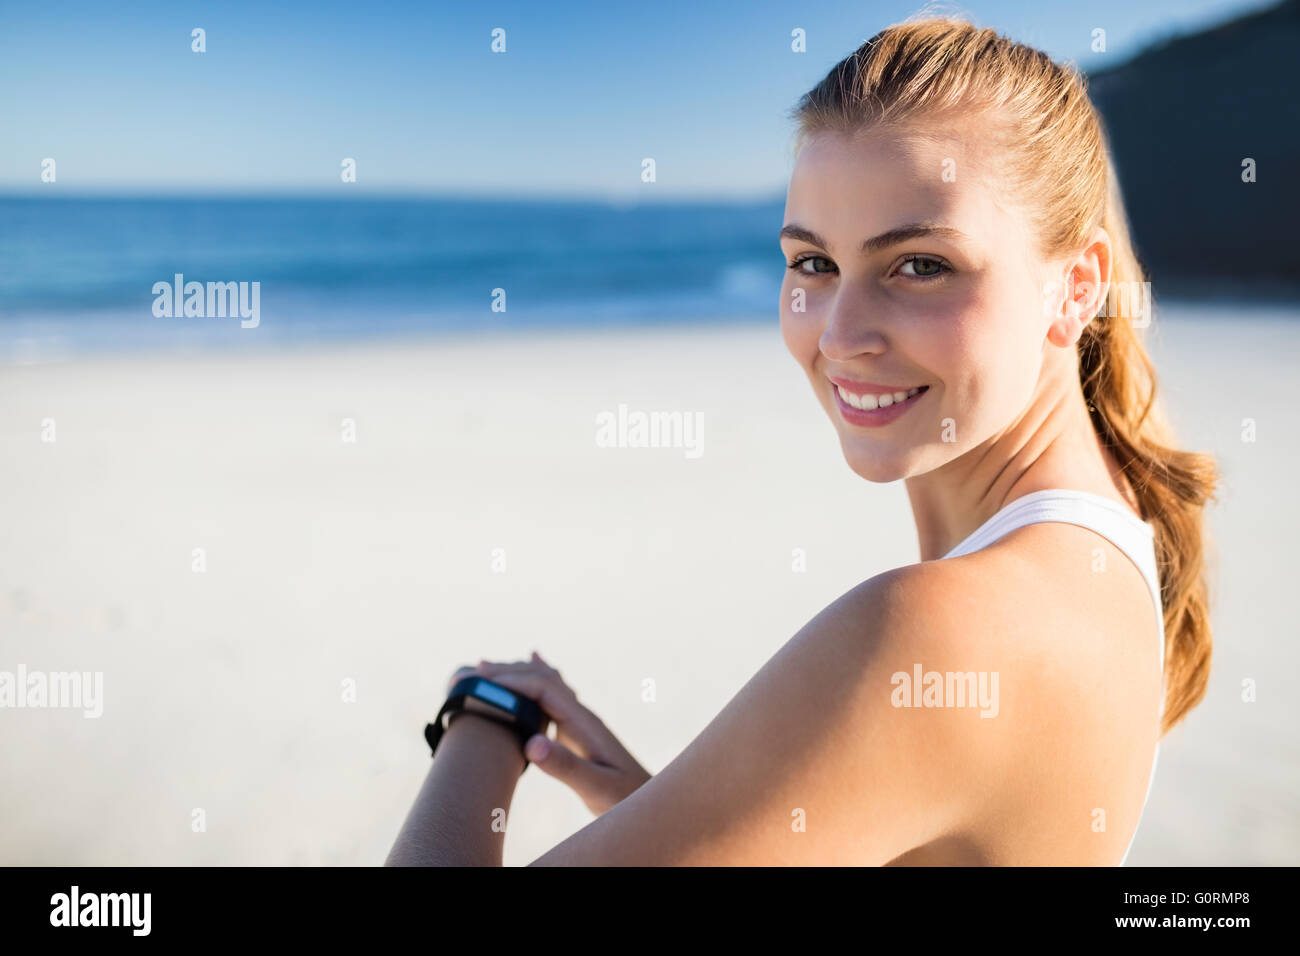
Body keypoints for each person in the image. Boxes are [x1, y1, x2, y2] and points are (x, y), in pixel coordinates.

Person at [386, 14, 1217, 867]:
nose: (840, 333)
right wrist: (672, 807)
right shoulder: (1106, 544)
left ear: (1075, 290)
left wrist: (484, 723)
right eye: (813, 263)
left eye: (919, 264)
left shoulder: (935, 631)